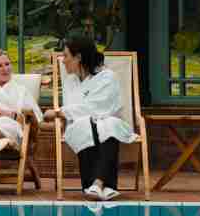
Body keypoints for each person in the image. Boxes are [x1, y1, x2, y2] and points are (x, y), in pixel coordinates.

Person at [44, 36, 137, 201]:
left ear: (78, 57)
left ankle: (97, 184)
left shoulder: (107, 77)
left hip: (108, 122)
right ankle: (107, 186)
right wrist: (71, 112)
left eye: (66, 56)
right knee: (85, 125)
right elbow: (78, 110)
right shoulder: (70, 81)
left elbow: (98, 108)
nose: (62, 61)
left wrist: (59, 112)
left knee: (108, 125)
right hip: (81, 125)